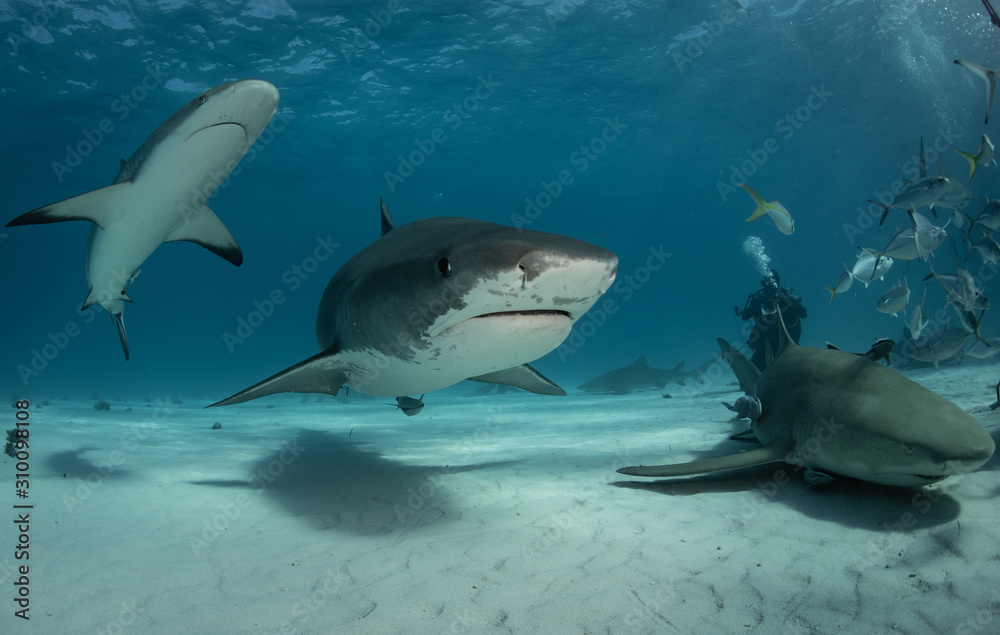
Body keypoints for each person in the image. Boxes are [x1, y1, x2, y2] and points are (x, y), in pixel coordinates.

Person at [734, 270, 807, 371]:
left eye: (774, 280)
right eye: (769, 281)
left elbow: (803, 314)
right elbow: (745, 316)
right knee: (751, 375)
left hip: (789, 347)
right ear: (764, 283)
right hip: (764, 348)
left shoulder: (787, 300)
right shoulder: (759, 301)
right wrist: (754, 305)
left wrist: (793, 305)